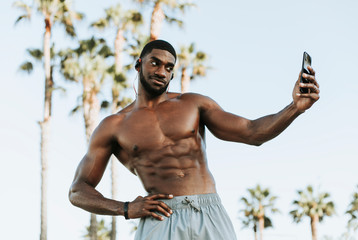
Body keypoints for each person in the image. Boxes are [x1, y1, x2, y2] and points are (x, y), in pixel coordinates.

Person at [69, 40, 320, 240]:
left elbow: (253, 132)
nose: (161, 72)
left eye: (169, 67)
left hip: (208, 211)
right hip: (160, 217)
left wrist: (294, 108)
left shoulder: (193, 103)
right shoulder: (115, 125)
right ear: (138, 65)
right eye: (155, 63)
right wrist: (124, 208)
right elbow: (78, 190)